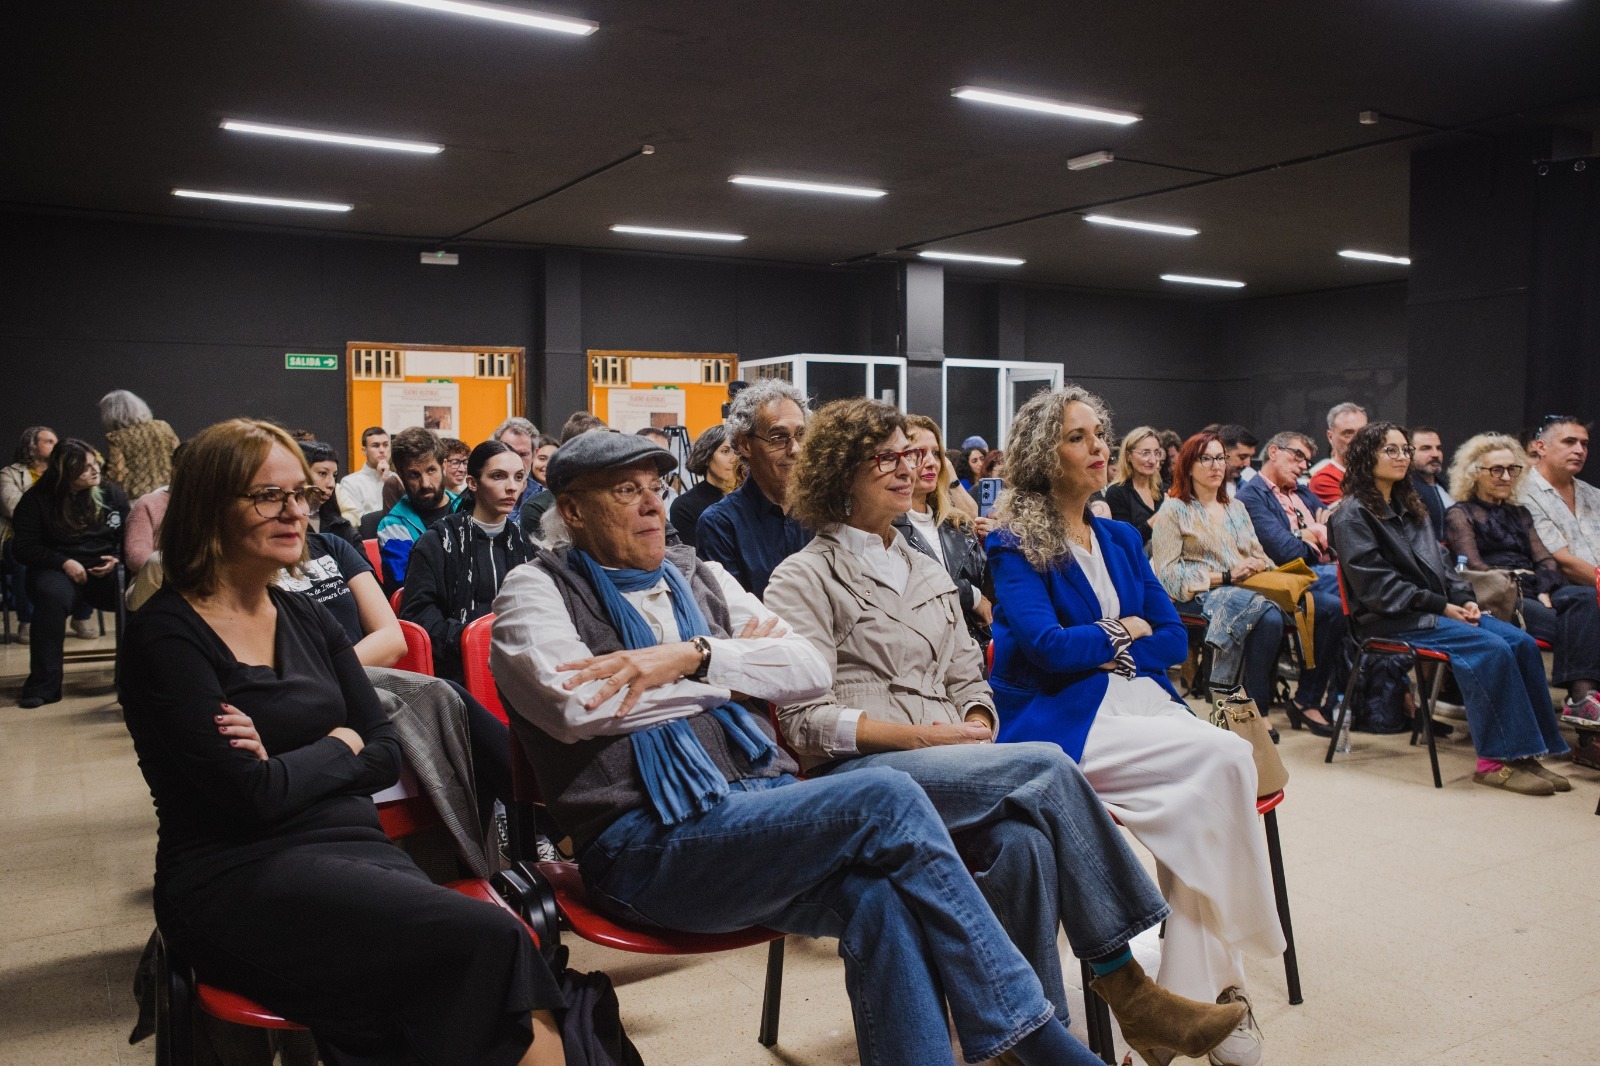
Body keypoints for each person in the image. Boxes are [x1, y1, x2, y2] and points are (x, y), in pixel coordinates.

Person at [491, 429, 1107, 1066]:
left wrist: (694, 657)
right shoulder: (534, 591)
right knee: (888, 794)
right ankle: (1040, 1040)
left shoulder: (699, 575)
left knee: (883, 898)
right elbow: (581, 709)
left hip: (761, 813)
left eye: (656, 486)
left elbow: (810, 669)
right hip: (644, 845)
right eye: (627, 491)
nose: (653, 504)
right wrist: (738, 675)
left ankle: (1032, 1031)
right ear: (572, 510)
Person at [766, 398, 1249, 1066]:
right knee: (1047, 766)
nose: (909, 469)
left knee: (1024, 844)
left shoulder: (925, 568)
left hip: (951, 763)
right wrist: (924, 739)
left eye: (912, 454)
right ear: (839, 473)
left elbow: (971, 677)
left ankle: (1023, 1040)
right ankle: (1130, 989)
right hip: (868, 775)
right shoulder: (803, 576)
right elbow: (803, 723)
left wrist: (975, 721)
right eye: (886, 458)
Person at [118, 418, 563, 1064]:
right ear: (209, 507)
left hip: (355, 849)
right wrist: (340, 743)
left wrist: (300, 760)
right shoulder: (167, 635)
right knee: (491, 945)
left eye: (300, 493)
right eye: (268, 496)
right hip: (239, 874)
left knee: (482, 965)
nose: (295, 511)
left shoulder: (300, 613)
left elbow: (383, 751)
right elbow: (248, 798)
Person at [985, 387, 1284, 1066]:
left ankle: (1183, 997)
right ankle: (1222, 989)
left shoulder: (1120, 535)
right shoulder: (1013, 543)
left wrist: (1106, 640)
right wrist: (1127, 629)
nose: (1099, 447)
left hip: (1141, 700)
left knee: (1220, 773)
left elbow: (1173, 639)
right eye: (1078, 437)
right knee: (1221, 765)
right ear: (1042, 456)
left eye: (1099, 433)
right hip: (1063, 719)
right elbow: (1048, 649)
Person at [1327, 422, 1571, 796]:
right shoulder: (1351, 515)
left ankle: (1526, 753)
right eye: (1390, 450)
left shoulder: (1411, 506)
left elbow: (1444, 565)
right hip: (1388, 619)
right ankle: (1494, 763)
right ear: (1366, 456)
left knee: (1520, 643)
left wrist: (1464, 598)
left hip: (1429, 610)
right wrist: (1442, 607)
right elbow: (1377, 589)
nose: (1401, 457)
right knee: (1491, 649)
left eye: (1405, 450)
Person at [1443, 432, 1600, 724]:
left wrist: (1543, 586)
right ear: (1475, 474)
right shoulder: (1460, 513)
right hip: (1497, 594)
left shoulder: (1520, 513)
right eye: (1496, 470)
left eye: (1512, 469)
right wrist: (1522, 584)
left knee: (1586, 597)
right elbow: (1474, 566)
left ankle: (1582, 702)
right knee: (1575, 626)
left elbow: (1545, 560)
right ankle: (1581, 699)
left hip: (1533, 589)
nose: (1506, 477)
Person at [1150, 433, 1285, 718]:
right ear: (1188, 466)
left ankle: (1254, 708)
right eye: (1206, 459)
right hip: (1196, 595)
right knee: (1267, 616)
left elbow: (1260, 554)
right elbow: (1168, 576)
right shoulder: (1174, 510)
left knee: (1296, 610)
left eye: (1220, 458)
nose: (1216, 465)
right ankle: (1253, 713)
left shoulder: (1236, 508)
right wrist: (1224, 576)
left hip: (1244, 589)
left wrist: (1255, 565)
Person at [1235, 431, 1346, 729]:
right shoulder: (1251, 496)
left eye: (1306, 461)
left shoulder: (1304, 493)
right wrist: (1317, 533)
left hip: (1320, 575)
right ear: (1273, 452)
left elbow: (1340, 533)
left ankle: (1336, 700)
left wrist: (1312, 535)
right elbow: (1285, 552)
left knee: (1350, 601)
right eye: (1297, 456)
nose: (1302, 466)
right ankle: (1317, 700)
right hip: (1281, 580)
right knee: (1345, 599)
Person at [402, 440, 536, 683]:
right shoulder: (438, 541)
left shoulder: (526, 543)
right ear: (473, 483)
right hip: (456, 668)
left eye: (518, 477)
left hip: (522, 667)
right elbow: (419, 614)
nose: (512, 487)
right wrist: (472, 640)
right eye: (498, 476)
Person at [11, 439, 130, 707]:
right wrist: (63, 562)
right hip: (58, 570)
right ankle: (43, 686)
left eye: (95, 463)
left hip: (105, 569)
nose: (95, 470)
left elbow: (128, 536)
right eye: (85, 468)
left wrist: (117, 557)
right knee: (50, 598)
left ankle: (131, 679)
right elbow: (23, 547)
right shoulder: (37, 499)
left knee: (138, 592)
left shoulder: (112, 493)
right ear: (65, 472)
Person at [695, 379, 814, 598]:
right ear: (744, 445)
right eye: (778, 438)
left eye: (800, 435)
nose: (795, 449)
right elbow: (732, 610)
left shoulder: (821, 513)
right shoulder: (721, 524)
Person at [894, 414, 993, 646]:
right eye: (918, 453)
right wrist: (969, 594)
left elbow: (992, 593)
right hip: (921, 650)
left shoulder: (957, 524)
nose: (931, 462)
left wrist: (999, 542)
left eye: (936, 453)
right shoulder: (886, 529)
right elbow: (906, 590)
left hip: (974, 651)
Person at [376, 427, 460, 592]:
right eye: (414, 475)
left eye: (431, 470)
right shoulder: (392, 526)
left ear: (443, 466)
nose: (425, 483)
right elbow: (411, 584)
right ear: (401, 476)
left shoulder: (468, 508)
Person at [1521, 415, 1600, 588]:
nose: (1579, 450)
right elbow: (1563, 563)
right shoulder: (1523, 492)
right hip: (1565, 593)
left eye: (1584, 444)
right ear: (1541, 447)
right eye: (1569, 442)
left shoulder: (1594, 495)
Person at [1, 426, 61, 644]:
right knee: (23, 558)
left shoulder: (62, 474)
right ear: (32, 446)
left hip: (58, 537)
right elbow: (14, 508)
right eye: (49, 441)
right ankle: (27, 621)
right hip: (21, 537)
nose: (56, 445)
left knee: (88, 550)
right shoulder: (9, 474)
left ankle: (81, 618)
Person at [519, 413, 609, 539]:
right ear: (570, 453)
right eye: (597, 449)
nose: (606, 456)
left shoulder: (616, 498)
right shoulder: (537, 509)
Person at [669, 424, 741, 550]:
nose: (734, 459)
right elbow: (691, 557)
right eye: (725, 451)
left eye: (737, 452)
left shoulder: (749, 499)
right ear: (707, 457)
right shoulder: (684, 506)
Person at [100, 389, 181, 499]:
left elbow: (117, 475)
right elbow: (179, 456)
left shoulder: (117, 438)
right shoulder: (163, 426)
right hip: (170, 491)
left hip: (139, 497)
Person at [1103, 426, 1167, 546]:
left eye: (1156, 453)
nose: (1153, 460)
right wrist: (1161, 515)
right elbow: (1125, 541)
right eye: (1145, 453)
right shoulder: (1116, 493)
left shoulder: (1158, 488)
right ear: (1129, 456)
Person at [297, 440, 360, 547]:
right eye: (322, 473)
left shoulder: (342, 527)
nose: (332, 484)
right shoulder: (288, 527)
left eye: (334, 476)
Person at [1307, 402, 1367, 505]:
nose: (1358, 439)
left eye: (1363, 432)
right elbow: (1356, 514)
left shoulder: (1376, 471)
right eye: (1348, 433)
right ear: (1331, 437)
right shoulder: (1323, 480)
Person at [336, 426, 391, 526]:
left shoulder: (397, 479)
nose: (382, 450)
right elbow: (358, 521)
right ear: (364, 451)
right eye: (375, 445)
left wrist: (388, 482)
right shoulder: (350, 482)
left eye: (385, 445)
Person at [492, 417, 542, 519]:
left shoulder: (547, 500)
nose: (516, 461)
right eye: (509, 452)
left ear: (534, 454)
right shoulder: (481, 498)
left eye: (523, 454)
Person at [1409, 426, 1452, 542]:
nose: (1435, 454)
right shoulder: (1405, 490)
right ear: (1409, 453)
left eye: (1438, 448)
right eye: (1425, 448)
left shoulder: (1450, 488)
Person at [1216, 425, 1259, 498]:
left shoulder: (1249, 487)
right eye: (1242, 457)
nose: (1247, 464)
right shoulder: (1204, 487)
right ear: (1223, 452)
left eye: (1250, 457)